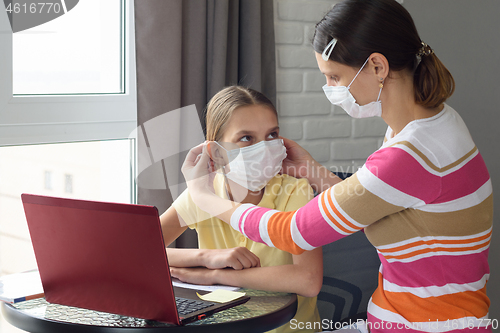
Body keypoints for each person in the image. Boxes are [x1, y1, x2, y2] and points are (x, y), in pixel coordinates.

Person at [181, 0, 493, 332]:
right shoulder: (436, 123)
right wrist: (314, 172)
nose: (331, 89)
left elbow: (293, 232)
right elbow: (377, 205)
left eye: (335, 77)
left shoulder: (410, 153)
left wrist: (204, 196)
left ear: (377, 67)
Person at [160, 85, 323, 333]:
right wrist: (207, 258)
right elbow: (138, 253)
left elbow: (308, 280)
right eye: (247, 138)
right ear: (217, 152)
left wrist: (215, 275)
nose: (265, 148)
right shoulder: (203, 191)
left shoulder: (296, 190)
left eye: (272, 135)